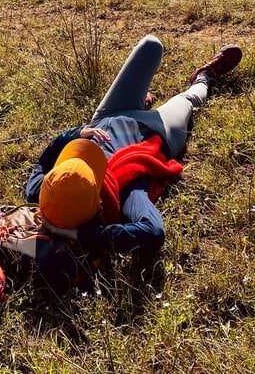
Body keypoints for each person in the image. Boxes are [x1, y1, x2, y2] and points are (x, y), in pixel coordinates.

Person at [25, 35, 242, 255]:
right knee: (188, 100)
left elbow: (43, 161)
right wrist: (79, 235)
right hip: (157, 131)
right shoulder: (127, 192)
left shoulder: (44, 192)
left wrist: (76, 134)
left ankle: (141, 100)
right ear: (97, 205)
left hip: (109, 114)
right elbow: (153, 232)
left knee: (152, 45)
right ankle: (203, 77)